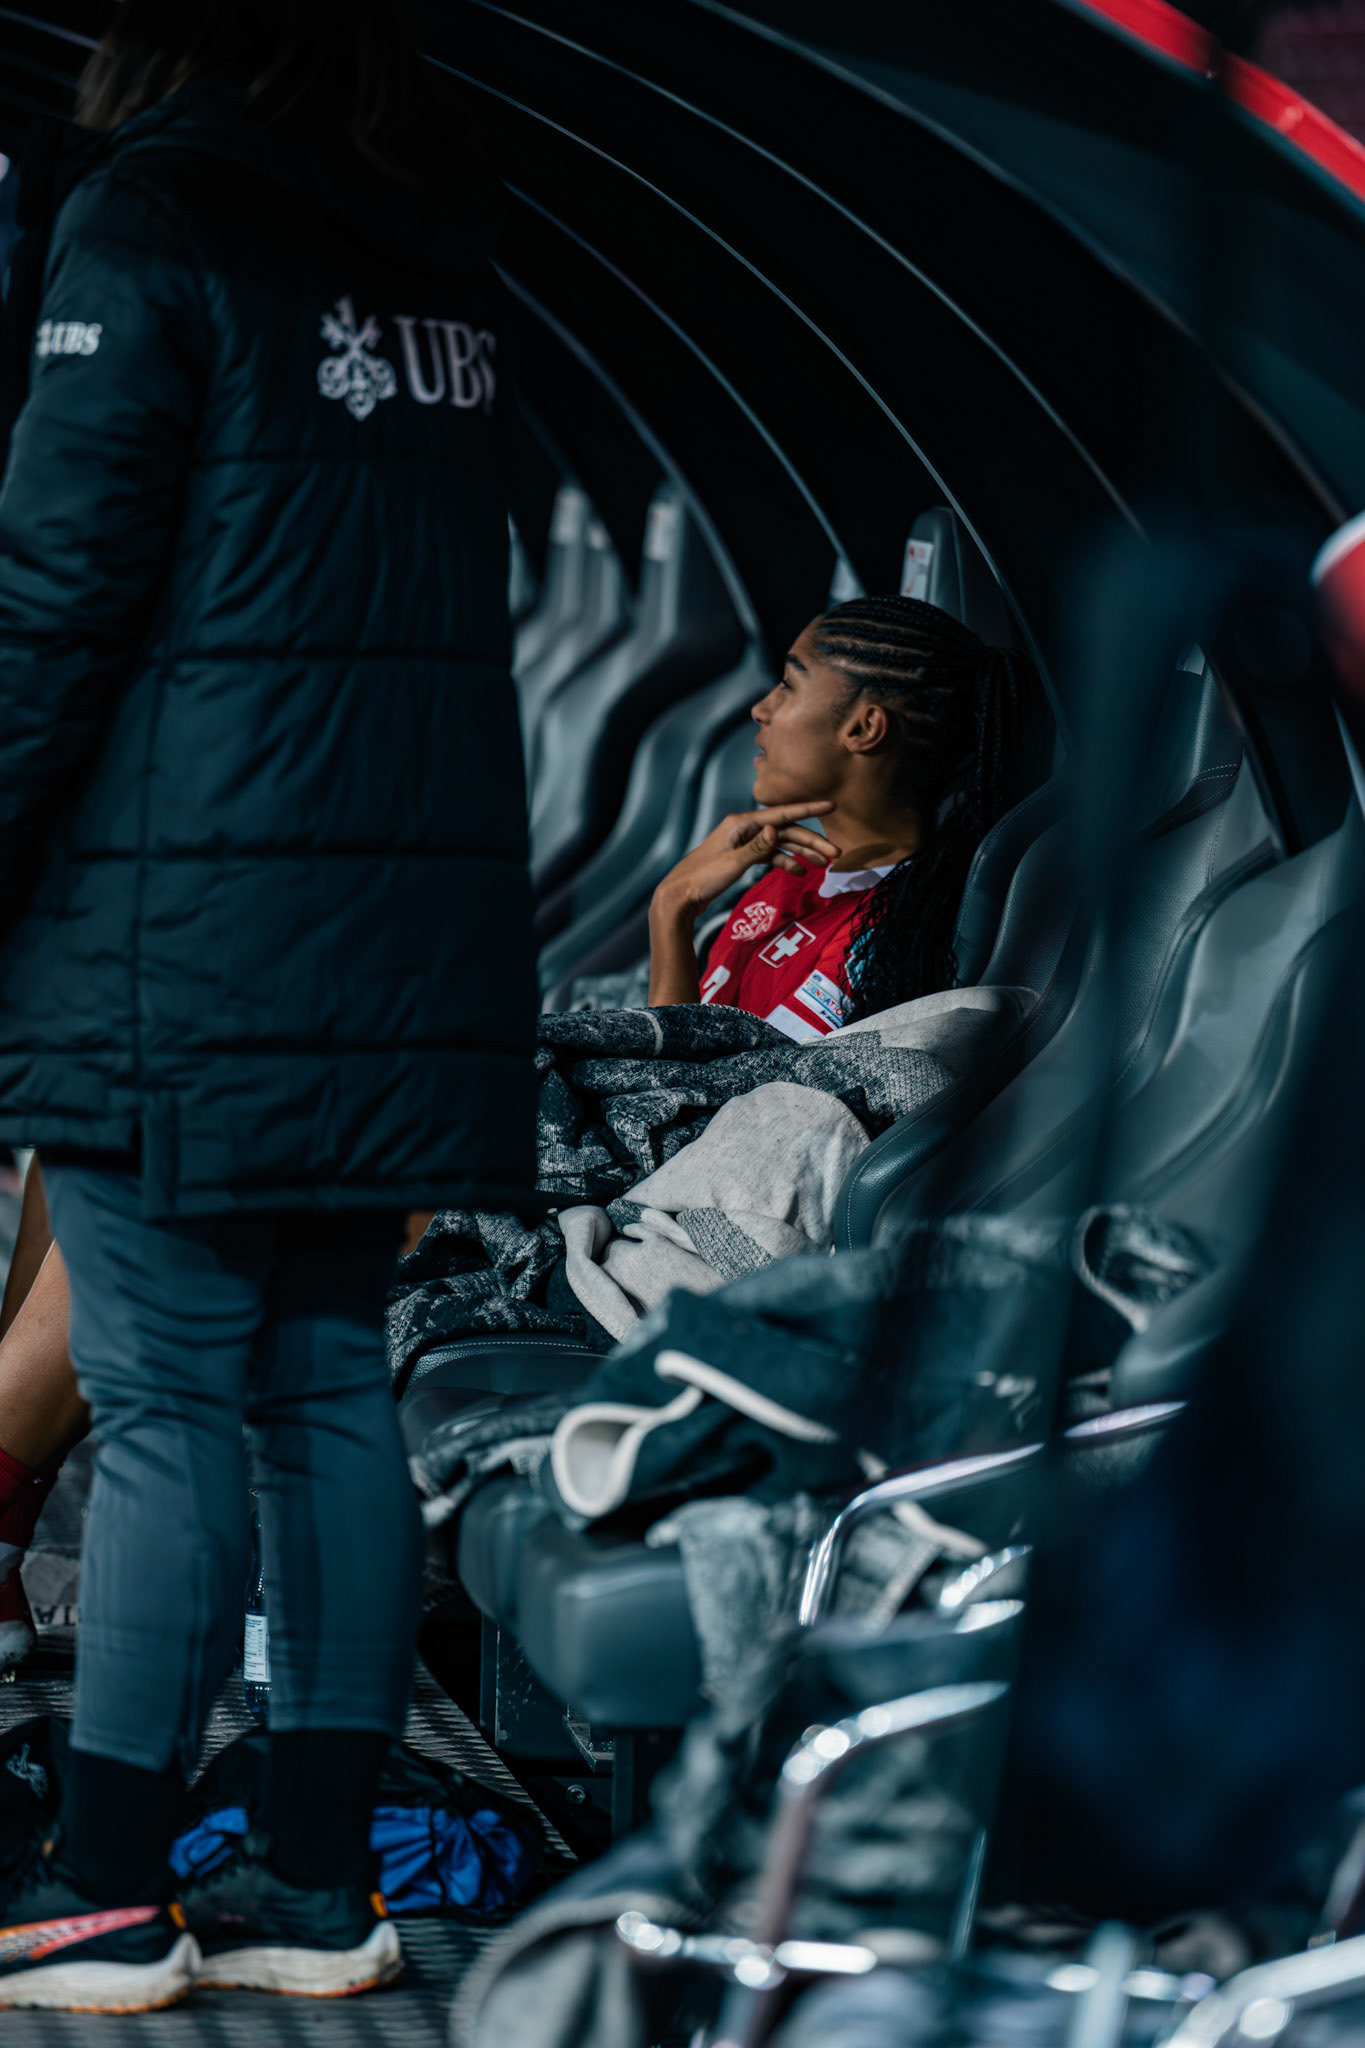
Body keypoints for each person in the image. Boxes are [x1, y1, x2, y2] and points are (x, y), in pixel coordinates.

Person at [0, 0, 537, 2013]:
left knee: (157, 1409)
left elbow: (54, 598)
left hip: (189, 928)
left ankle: (103, 1891)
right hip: (401, 936)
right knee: (320, 1389)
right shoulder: (443, 244)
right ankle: (312, 1884)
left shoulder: (153, 223)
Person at [649, 594, 1034, 1036]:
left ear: (864, 729)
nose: (761, 710)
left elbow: (695, 1096)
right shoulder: (794, 874)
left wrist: (672, 907)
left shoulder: (880, 937)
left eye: (789, 685)